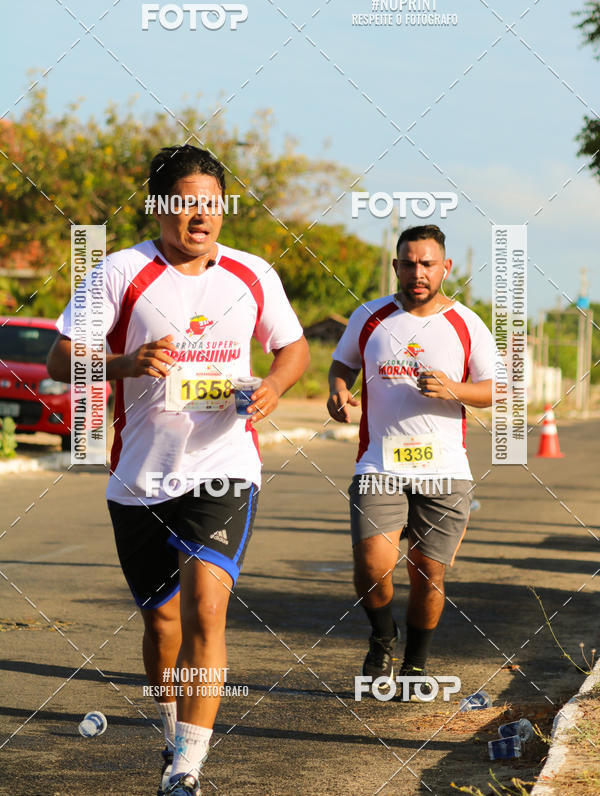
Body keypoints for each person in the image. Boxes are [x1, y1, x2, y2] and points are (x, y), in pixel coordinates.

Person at [47, 145, 309, 795]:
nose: (202, 215)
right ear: (161, 205)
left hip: (223, 467)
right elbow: (58, 360)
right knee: (162, 623)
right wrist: (123, 364)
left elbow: (293, 347)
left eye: (213, 203)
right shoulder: (119, 272)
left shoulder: (252, 275)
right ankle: (173, 734)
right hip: (139, 476)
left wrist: (276, 385)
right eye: (188, 201)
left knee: (205, 611)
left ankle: (187, 770)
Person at [326, 224, 494, 701]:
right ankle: (383, 638)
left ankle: (416, 665)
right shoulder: (370, 316)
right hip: (380, 464)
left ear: (446, 268)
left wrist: (455, 390)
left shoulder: (466, 323)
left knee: (428, 573)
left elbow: (497, 389)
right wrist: (338, 392)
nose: (417, 273)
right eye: (409, 263)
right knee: (373, 566)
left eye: (427, 264)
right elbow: (342, 365)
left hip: (446, 471)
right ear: (396, 265)